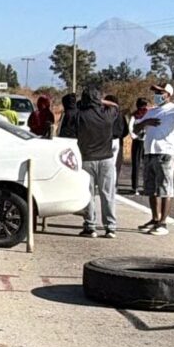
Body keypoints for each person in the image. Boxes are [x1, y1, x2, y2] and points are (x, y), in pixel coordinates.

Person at [64, 85, 122, 238]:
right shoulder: (108, 114)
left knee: (88, 193)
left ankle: (90, 226)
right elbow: (115, 105)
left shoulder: (79, 116)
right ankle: (110, 227)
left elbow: (71, 122)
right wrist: (101, 101)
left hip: (87, 159)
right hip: (107, 159)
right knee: (107, 194)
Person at [133, 85, 174, 234]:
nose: (157, 95)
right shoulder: (150, 111)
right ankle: (155, 218)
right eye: (156, 92)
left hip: (165, 153)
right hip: (149, 152)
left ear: (168, 94)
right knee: (151, 189)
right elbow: (135, 130)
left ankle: (163, 222)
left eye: (160, 92)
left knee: (165, 189)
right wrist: (145, 123)